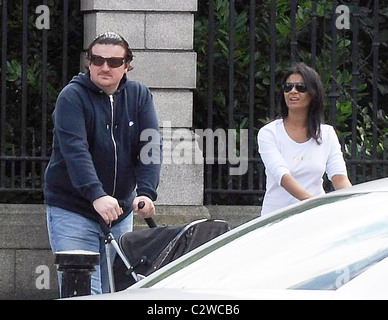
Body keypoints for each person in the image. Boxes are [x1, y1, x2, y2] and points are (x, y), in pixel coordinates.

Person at [44, 32, 162, 295]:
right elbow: (75, 151)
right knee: (85, 291)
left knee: (117, 291)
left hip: (120, 212)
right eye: (97, 60)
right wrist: (96, 194)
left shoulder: (139, 95)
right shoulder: (71, 97)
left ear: (127, 65)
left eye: (113, 62)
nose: (104, 67)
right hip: (73, 210)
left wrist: (146, 191)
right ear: (89, 63)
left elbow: (150, 145)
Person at [257, 62, 351, 216]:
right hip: (276, 218)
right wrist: (313, 203)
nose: (293, 91)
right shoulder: (269, 133)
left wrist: (354, 204)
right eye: (288, 87)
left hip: (313, 218)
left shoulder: (326, 134)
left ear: (313, 94)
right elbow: (281, 175)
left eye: (300, 87)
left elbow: (339, 178)